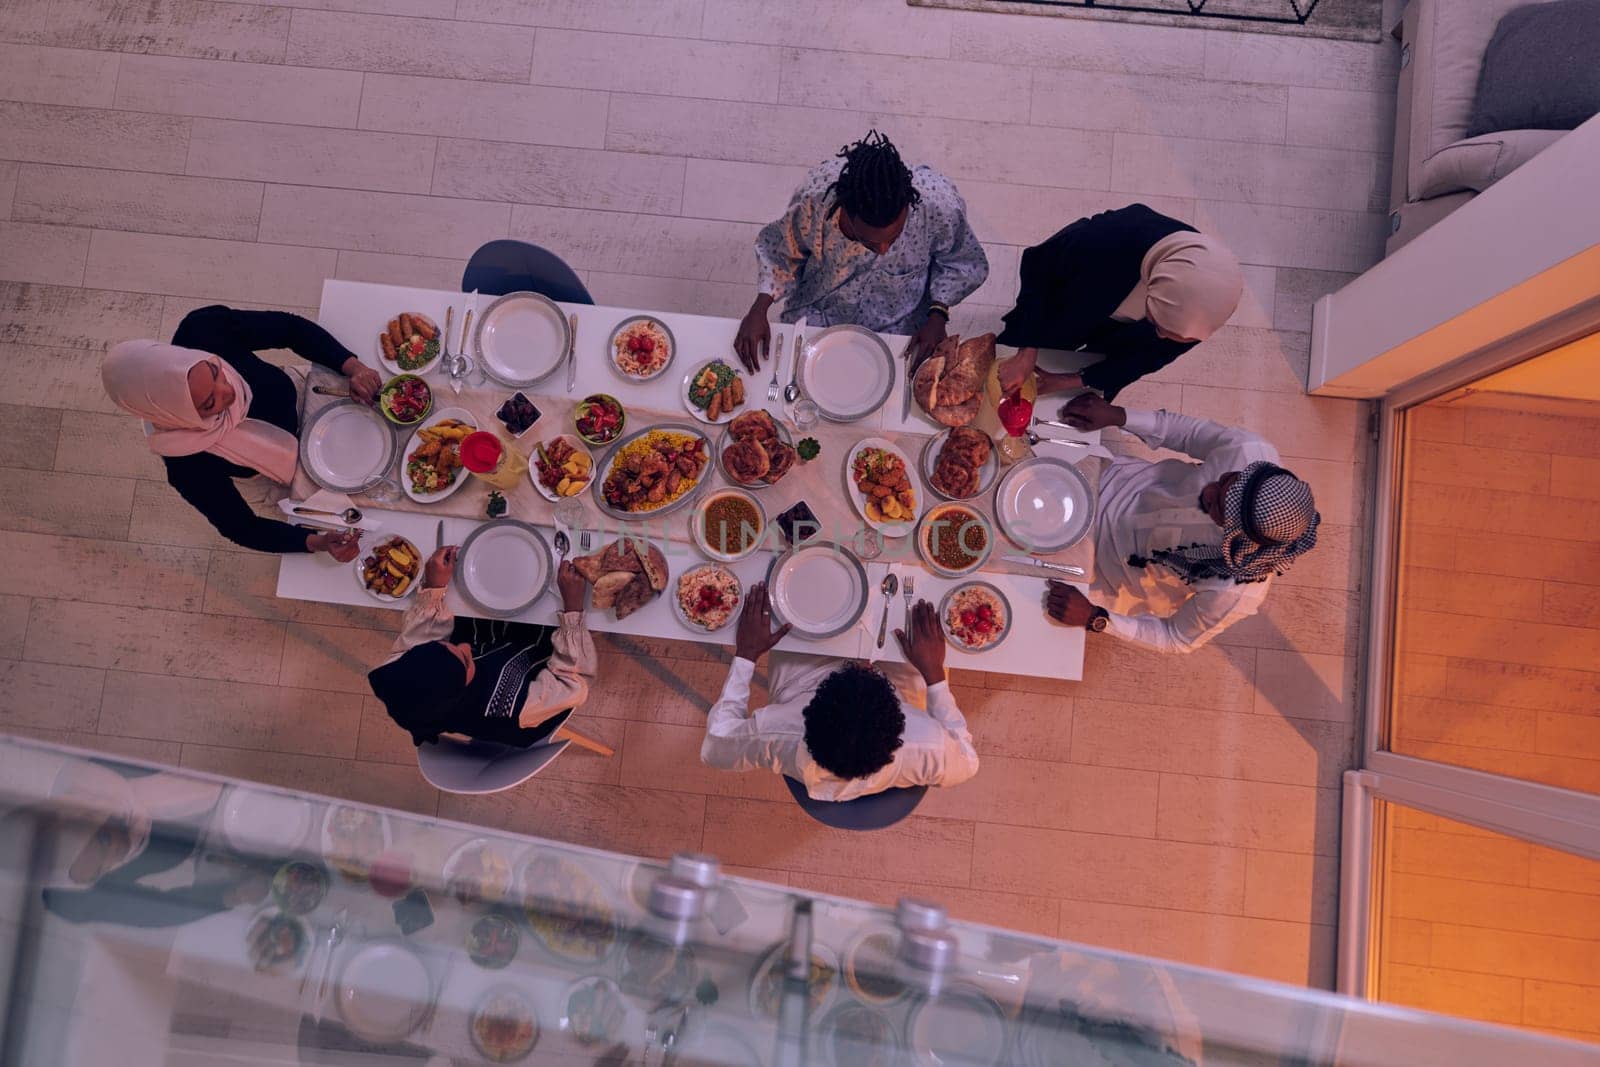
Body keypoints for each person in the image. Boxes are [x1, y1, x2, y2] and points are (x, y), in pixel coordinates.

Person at [1042, 393, 1319, 654]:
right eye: (1224, 479)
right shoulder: (1250, 451)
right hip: (1106, 480)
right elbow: (1189, 434)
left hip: (1097, 573)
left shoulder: (1235, 590)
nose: (1207, 491)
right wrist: (1118, 415)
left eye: (1215, 507)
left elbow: (1176, 637)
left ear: (1236, 538)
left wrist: (1096, 618)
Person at [103, 305, 384, 560]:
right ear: (173, 415)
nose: (230, 392)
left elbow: (290, 329)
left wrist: (353, 367)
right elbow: (241, 527)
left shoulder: (202, 329)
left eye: (215, 372)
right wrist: (316, 542)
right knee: (378, 516)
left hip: (306, 397)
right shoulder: (185, 465)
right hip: (279, 475)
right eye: (209, 403)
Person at [735, 130, 989, 372]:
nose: (883, 249)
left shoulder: (938, 206)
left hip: (901, 326)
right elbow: (781, 252)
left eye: (893, 237)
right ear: (844, 211)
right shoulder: (815, 201)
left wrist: (938, 315)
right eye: (867, 241)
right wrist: (759, 309)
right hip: (818, 314)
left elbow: (962, 262)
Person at [701, 584, 979, 799]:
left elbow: (715, 747)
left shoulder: (780, 731)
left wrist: (747, 654)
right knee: (932, 625)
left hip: (803, 684)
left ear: (806, 716)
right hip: (894, 693)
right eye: (867, 671)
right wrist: (933, 674)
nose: (866, 664)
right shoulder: (926, 745)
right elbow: (968, 762)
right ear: (900, 725)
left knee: (796, 609)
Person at [996, 204, 1243, 402]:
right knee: (1001, 374)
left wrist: (1076, 380)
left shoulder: (1202, 309)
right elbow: (1039, 268)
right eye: (1156, 323)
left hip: (1113, 344)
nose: (1160, 335)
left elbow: (1148, 357)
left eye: (1170, 334)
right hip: (1065, 308)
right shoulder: (1110, 238)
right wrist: (1026, 352)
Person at [367, 546, 596, 747]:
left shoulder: (399, 676)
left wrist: (434, 586)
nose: (466, 647)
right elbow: (573, 681)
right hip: (537, 676)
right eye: (466, 660)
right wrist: (573, 607)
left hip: (491, 651)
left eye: (446, 645)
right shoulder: (516, 708)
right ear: (463, 688)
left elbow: (419, 636)